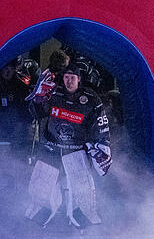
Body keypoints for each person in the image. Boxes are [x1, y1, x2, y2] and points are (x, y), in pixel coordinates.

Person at [26, 63, 112, 228]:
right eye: (66, 77)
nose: (69, 81)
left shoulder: (91, 99)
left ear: (79, 79)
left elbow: (101, 125)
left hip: (77, 151)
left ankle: (83, 221)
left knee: (82, 190)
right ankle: (37, 219)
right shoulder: (53, 93)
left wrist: (102, 147)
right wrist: (37, 100)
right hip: (51, 148)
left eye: (73, 78)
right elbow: (37, 114)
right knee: (40, 186)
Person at [0, 58, 32, 144]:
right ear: (1, 70)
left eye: (11, 69)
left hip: (14, 126)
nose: (8, 72)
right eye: (6, 69)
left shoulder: (20, 86)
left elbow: (25, 107)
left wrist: (22, 124)